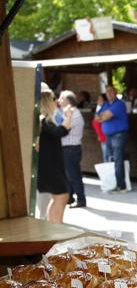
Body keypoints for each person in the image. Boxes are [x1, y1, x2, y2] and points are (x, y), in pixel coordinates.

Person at [38, 90, 71, 223]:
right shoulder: (43, 120)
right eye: (53, 99)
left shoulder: (46, 120)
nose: (56, 102)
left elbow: (62, 132)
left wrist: (67, 120)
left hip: (52, 164)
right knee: (61, 196)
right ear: (47, 102)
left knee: (60, 196)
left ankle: (55, 227)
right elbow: (59, 132)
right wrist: (68, 117)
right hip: (50, 165)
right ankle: (55, 228)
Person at [95, 85, 129, 193]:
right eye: (107, 92)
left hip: (118, 135)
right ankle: (112, 183)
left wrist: (102, 116)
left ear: (115, 92)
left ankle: (121, 185)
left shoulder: (119, 104)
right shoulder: (105, 104)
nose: (109, 94)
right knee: (110, 160)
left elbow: (105, 117)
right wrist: (101, 116)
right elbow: (97, 118)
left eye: (111, 91)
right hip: (108, 136)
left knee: (117, 159)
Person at [58, 90, 86, 208]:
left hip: (71, 148)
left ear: (68, 101)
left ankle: (81, 199)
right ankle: (69, 198)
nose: (59, 101)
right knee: (68, 175)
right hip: (68, 148)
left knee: (74, 175)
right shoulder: (68, 112)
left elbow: (63, 130)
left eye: (61, 99)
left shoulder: (73, 114)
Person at [92, 94, 108, 162]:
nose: (98, 101)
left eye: (100, 99)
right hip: (102, 138)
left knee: (107, 159)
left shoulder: (106, 110)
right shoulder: (100, 109)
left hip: (106, 138)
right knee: (106, 158)